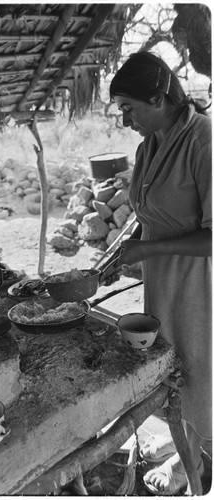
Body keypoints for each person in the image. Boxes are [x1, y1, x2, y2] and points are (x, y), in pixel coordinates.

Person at [109, 51, 212, 495]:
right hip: (162, 282)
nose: (126, 120)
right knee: (176, 374)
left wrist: (146, 249)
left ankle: (202, 472)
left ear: (158, 96)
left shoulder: (203, 143)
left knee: (202, 378)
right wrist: (120, 254)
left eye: (129, 108)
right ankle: (190, 461)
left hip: (199, 286)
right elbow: (146, 213)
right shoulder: (147, 145)